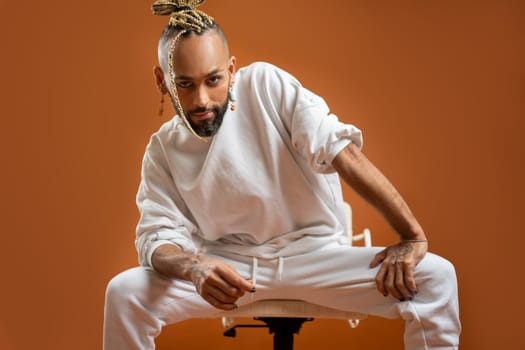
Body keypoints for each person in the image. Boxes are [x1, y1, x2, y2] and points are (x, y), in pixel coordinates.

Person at [103, 1, 461, 349]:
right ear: (161, 80)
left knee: (436, 277)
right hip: (231, 268)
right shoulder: (162, 149)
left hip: (317, 257)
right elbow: (156, 238)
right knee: (124, 293)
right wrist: (195, 267)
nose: (201, 100)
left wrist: (412, 236)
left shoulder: (265, 86)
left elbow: (339, 150)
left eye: (213, 80)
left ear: (231, 69)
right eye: (183, 84)